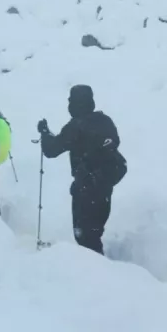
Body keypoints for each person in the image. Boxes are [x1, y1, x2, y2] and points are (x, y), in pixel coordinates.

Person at [38, 84, 126, 254]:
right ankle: (100, 269)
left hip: (86, 189)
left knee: (85, 237)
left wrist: (44, 133)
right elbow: (113, 143)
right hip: (105, 185)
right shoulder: (105, 121)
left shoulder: (75, 126)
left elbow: (52, 150)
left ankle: (96, 274)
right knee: (95, 232)